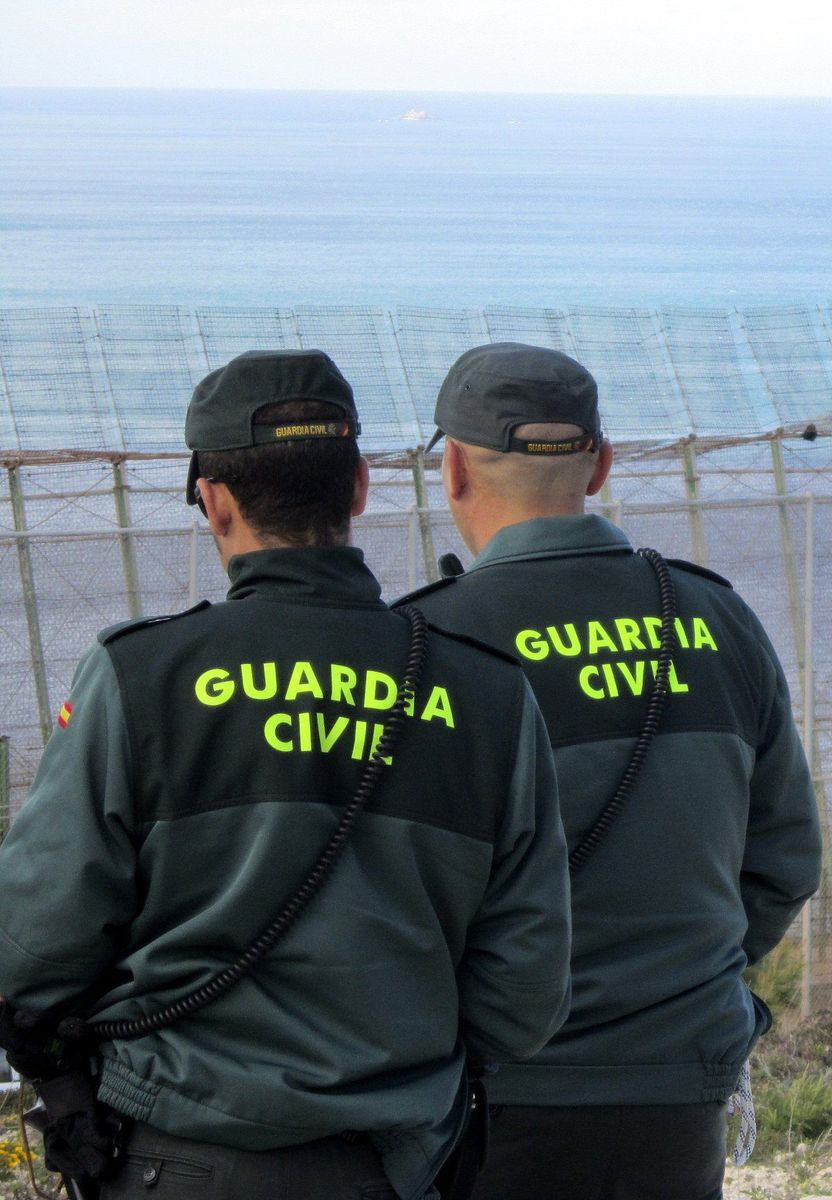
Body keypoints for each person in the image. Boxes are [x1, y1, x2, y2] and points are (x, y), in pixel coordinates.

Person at [0, 350, 572, 1200]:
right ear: (359, 489)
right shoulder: (487, 695)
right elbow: (523, 996)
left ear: (214, 500)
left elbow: (30, 950)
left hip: (173, 1159)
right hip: (394, 1165)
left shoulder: (139, 677)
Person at [397, 342, 821, 1200]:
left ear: (454, 470)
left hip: (498, 1099)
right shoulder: (717, 618)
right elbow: (785, 861)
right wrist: (680, 986)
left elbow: (395, 896)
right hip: (680, 1089)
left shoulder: (424, 648)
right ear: (600, 466)